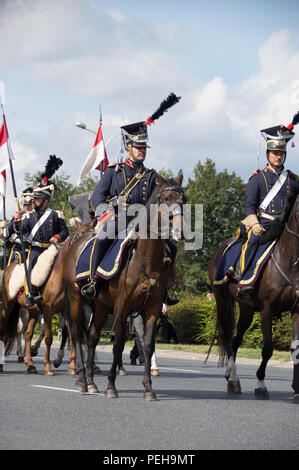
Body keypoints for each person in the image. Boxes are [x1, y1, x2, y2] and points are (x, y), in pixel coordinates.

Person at [237, 113, 299, 295]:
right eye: (275, 153)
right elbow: (249, 206)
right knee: (252, 241)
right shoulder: (257, 179)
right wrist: (254, 224)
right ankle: (245, 279)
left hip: (287, 225)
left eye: (281, 153)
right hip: (264, 224)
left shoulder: (294, 180)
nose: (278, 157)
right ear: (268, 154)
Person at [13, 155, 69, 307]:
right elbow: (20, 230)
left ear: (45, 200)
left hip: (53, 248)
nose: (33, 201)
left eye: (37, 199)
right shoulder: (29, 216)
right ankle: (30, 293)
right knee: (30, 263)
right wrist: (17, 220)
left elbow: (65, 232)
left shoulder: (56, 215)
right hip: (36, 248)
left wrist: (58, 236)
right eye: (34, 198)